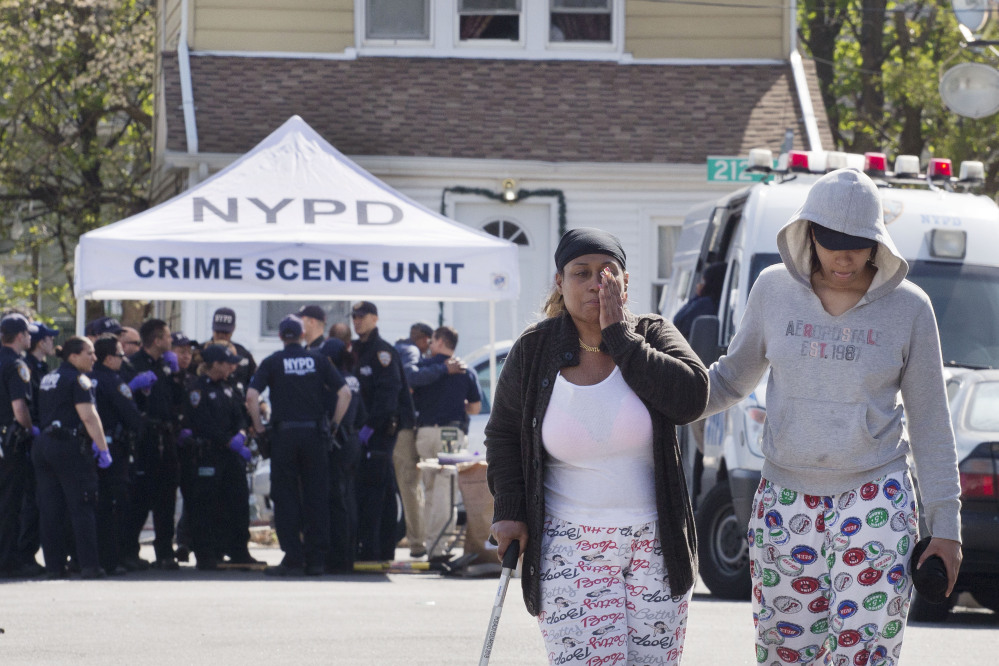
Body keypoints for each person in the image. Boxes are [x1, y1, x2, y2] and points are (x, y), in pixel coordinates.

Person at [698, 168, 963, 665]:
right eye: (831, 240)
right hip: (785, 500)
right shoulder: (772, 291)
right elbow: (732, 378)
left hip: (874, 498)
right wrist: (661, 393)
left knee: (865, 654)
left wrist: (946, 527)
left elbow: (931, 423)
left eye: (858, 243)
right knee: (787, 654)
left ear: (877, 241)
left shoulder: (911, 309)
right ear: (809, 233)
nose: (844, 257)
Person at [486, 228, 708, 666]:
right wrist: (509, 510)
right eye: (580, 273)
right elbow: (504, 434)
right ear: (560, 282)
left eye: (606, 273)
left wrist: (621, 338)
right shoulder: (534, 349)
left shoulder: (653, 334)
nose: (594, 283)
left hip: (656, 544)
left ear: (625, 283)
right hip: (570, 543)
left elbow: (691, 400)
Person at [246, 315, 351, 576]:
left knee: (286, 497)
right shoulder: (319, 360)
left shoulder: (272, 362)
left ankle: (293, 557)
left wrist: (259, 428)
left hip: (284, 437)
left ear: (281, 337)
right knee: (317, 497)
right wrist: (334, 426)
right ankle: (316, 560)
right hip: (315, 436)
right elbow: (345, 394)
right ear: (303, 335)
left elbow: (251, 396)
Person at [33, 336, 112, 579]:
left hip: (44, 445)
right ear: (74, 356)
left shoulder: (49, 377)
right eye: (90, 353)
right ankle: (89, 565)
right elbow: (89, 416)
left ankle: (53, 567)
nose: (94, 358)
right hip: (69, 446)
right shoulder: (80, 379)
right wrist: (103, 448)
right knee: (82, 505)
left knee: (50, 509)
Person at [182, 344, 257, 570]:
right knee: (206, 504)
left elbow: (241, 415)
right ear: (215, 364)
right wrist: (227, 440)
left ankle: (238, 550)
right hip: (210, 453)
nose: (232, 367)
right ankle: (206, 553)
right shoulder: (197, 389)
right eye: (227, 363)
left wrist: (242, 433)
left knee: (238, 501)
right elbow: (201, 422)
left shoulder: (230, 387)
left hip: (231, 455)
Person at [350, 301, 414, 562]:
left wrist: (370, 427)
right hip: (359, 433)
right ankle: (376, 545)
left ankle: (376, 548)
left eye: (362, 317)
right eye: (354, 317)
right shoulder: (355, 350)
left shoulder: (382, 352)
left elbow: (389, 397)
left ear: (374, 319)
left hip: (379, 433)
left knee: (377, 493)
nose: (357, 321)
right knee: (373, 490)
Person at [412, 326, 482, 562]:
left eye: (433, 341)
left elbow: (412, 388)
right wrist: (459, 404)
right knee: (445, 493)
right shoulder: (464, 370)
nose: (430, 345)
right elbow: (475, 407)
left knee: (430, 492)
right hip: (450, 435)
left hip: (424, 433)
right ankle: (437, 549)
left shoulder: (423, 368)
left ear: (441, 342)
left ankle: (430, 545)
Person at [124, 318, 181, 571]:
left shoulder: (166, 366)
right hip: (144, 436)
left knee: (166, 497)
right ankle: (128, 550)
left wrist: (177, 374)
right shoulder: (132, 365)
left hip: (166, 435)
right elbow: (123, 398)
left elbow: (177, 401)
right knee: (140, 496)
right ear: (157, 340)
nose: (170, 341)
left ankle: (165, 551)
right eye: (168, 337)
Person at [92, 336, 143, 575]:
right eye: (121, 355)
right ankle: (112, 559)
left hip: (88, 450)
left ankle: (89, 558)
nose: (124, 360)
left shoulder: (86, 378)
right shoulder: (113, 380)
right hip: (113, 450)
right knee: (115, 505)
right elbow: (132, 416)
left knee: (92, 504)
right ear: (109, 358)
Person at [319, 337, 367, 573]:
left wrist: (333, 429)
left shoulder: (332, 381)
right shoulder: (354, 379)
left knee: (335, 500)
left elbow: (327, 411)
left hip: (338, 442)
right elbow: (362, 417)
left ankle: (337, 557)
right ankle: (348, 553)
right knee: (348, 498)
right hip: (353, 441)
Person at [393, 321, 441, 559]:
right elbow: (411, 376)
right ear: (424, 339)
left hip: (397, 425)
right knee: (411, 484)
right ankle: (418, 544)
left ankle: (418, 541)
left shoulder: (399, 349)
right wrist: (443, 370)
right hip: (404, 427)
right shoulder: (410, 350)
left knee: (410, 484)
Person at [16, 321, 59, 577]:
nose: (53, 342)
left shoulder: (41, 367)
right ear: (40, 341)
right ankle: (23, 553)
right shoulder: (27, 367)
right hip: (30, 438)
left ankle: (26, 553)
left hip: (40, 436)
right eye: (49, 339)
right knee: (29, 501)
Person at [0, 314, 40, 578]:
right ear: (20, 336)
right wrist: (29, 428)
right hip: (10, 442)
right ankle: (7, 560)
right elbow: (19, 408)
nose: (30, 338)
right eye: (28, 334)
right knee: (10, 502)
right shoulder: (16, 365)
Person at [672, 262, 726, 339]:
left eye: (703, 282)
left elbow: (679, 321)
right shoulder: (717, 302)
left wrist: (698, 296)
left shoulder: (706, 303)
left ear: (711, 283)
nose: (699, 285)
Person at [206, 307, 256, 390]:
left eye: (226, 333)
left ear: (233, 330)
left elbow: (254, 383)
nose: (221, 336)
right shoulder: (201, 352)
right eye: (218, 332)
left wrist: (260, 401)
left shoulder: (243, 354)